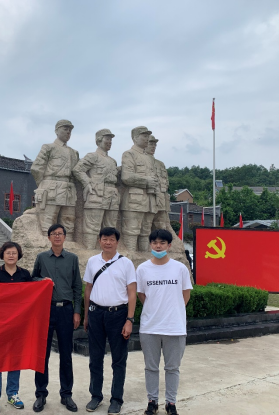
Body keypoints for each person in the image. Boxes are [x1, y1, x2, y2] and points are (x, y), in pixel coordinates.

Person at [136, 229, 192, 415]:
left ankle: (171, 403)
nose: (158, 246)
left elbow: (185, 295)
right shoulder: (142, 269)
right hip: (150, 327)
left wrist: (173, 311)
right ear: (150, 245)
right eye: (155, 243)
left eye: (162, 243)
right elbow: (142, 295)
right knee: (151, 367)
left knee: (172, 368)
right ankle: (152, 401)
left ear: (169, 245)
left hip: (174, 327)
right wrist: (155, 310)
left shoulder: (180, 269)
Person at [83, 227, 137, 415]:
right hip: (96, 314)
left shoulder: (126, 263)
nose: (108, 242)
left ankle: (116, 399)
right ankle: (96, 395)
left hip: (118, 315)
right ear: (99, 240)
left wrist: (129, 320)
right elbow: (88, 289)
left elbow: (132, 293)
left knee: (118, 359)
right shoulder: (92, 261)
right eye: (104, 239)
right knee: (95, 358)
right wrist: (86, 316)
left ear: (117, 242)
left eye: (111, 239)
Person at [31, 224, 83, 413]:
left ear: (65, 237)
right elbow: (32, 279)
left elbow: (77, 287)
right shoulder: (41, 257)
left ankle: (66, 394)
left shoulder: (72, 259)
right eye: (54, 234)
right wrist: (41, 280)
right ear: (49, 237)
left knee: (66, 354)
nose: (57, 237)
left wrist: (77, 311)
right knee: (42, 354)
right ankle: (41, 394)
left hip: (66, 310)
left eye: (60, 234)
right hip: (45, 310)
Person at [0, 241, 33, 413]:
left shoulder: (25, 274)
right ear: (3, 255)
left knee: (15, 359)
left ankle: (13, 393)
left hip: (18, 325)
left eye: (14, 252)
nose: (11, 255)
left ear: (18, 255)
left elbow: (32, 295)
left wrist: (44, 283)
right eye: (8, 253)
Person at [72, 129, 121, 249]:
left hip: (112, 196)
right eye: (107, 139)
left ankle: (108, 252)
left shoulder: (112, 161)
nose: (110, 142)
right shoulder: (92, 156)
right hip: (97, 194)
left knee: (111, 226)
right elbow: (78, 169)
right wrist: (87, 182)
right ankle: (89, 250)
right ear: (99, 140)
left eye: (111, 140)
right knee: (92, 226)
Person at [31, 119, 80, 236]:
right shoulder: (48, 147)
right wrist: (43, 185)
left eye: (70, 130)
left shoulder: (74, 152)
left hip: (69, 190)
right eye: (65, 129)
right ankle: (46, 245)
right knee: (48, 222)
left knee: (69, 221)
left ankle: (68, 245)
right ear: (56, 131)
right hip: (51, 189)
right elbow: (36, 168)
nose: (68, 132)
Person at [120, 126, 158, 252]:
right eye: (144, 136)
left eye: (148, 136)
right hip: (134, 200)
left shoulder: (149, 158)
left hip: (149, 200)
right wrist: (146, 180)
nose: (147, 139)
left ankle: (144, 256)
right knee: (131, 230)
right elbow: (126, 176)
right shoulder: (129, 154)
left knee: (146, 231)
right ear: (135, 138)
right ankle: (130, 256)